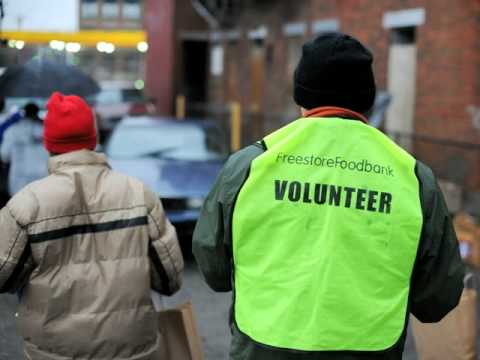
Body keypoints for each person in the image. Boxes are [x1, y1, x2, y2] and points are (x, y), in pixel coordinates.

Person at [192, 32, 465, 360]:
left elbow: (213, 266)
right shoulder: (413, 177)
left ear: (301, 96)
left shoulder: (251, 164)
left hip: (262, 346)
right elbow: (438, 298)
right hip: (367, 349)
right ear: (367, 100)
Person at [0, 92, 184, 360]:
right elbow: (169, 279)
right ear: (93, 140)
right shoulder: (140, 194)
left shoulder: (26, 204)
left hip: (53, 351)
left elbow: (5, 277)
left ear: (49, 143)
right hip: (133, 349)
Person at [1, 102, 49, 196]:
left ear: (24, 113)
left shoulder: (12, 131)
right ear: (37, 112)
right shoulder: (47, 131)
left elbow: (4, 156)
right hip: (43, 179)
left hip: (19, 181)